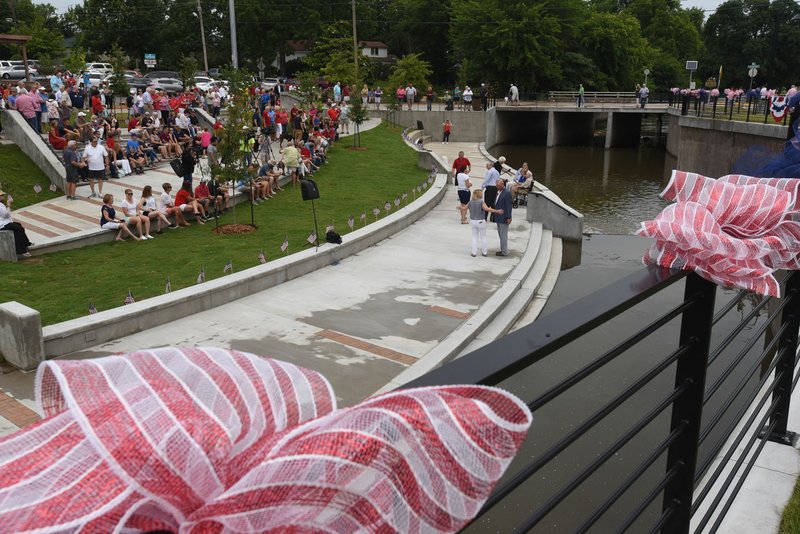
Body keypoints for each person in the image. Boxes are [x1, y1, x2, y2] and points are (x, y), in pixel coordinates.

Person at [0, 190, 33, 257]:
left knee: (18, 224)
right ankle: (21, 250)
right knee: (19, 229)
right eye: (2, 195)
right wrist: (8, 206)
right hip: (2, 224)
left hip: (4, 222)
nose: (3, 196)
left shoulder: (1, 204)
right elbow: (5, 215)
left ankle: (26, 243)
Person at [486, 179, 513, 256]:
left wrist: (509, 217)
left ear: (502, 184)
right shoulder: (498, 192)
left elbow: (509, 206)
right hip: (498, 217)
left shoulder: (507, 193)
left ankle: (504, 251)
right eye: (496, 185)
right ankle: (503, 249)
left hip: (504, 217)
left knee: (503, 235)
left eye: (498, 185)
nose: (497, 187)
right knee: (501, 234)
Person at [468, 189, 490, 257]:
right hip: (481, 221)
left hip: (473, 221)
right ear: (480, 194)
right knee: (483, 237)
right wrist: (496, 211)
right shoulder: (481, 202)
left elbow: (464, 208)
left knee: (474, 237)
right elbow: (486, 209)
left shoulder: (471, 202)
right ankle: (484, 252)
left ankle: (474, 253)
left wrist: (460, 207)